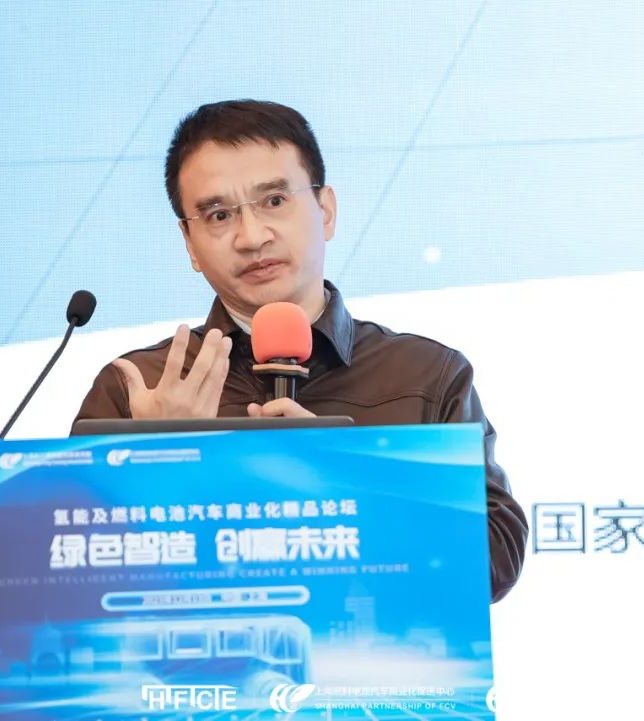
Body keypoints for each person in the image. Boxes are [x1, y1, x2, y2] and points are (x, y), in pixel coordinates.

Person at [74, 100, 527, 601]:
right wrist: (156, 464)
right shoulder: (139, 387)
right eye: (219, 215)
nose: (252, 237)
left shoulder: (425, 376)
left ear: (325, 210)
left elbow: (495, 562)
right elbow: (64, 578)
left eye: (274, 201)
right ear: (189, 242)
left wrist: (337, 474)